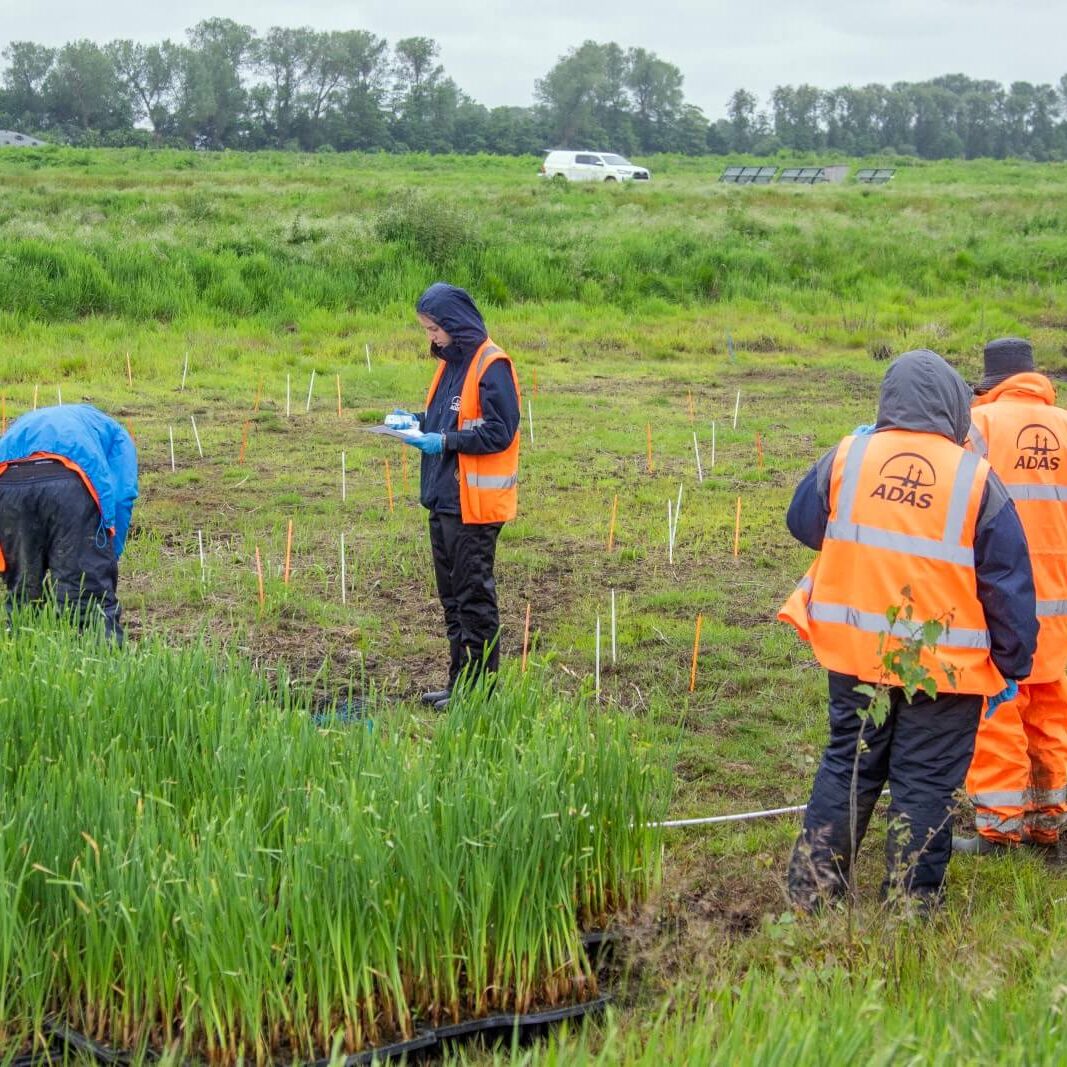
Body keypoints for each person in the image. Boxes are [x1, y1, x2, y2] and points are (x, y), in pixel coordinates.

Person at [778, 349, 1037, 909]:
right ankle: (909, 907)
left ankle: (811, 894)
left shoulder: (848, 456)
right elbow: (1008, 585)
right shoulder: (976, 480)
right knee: (923, 783)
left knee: (848, 765)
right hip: (945, 673)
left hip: (856, 657)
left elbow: (802, 522)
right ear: (952, 406)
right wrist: (1014, 666)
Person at [954, 338, 1067, 855]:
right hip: (1061, 601)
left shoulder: (979, 428)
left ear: (989, 383)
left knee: (999, 704)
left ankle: (1000, 826)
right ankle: (1051, 819)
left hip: (1000, 596)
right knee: (1051, 706)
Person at [396, 283, 520, 710]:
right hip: (443, 498)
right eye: (426, 329)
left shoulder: (492, 364)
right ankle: (459, 686)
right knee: (452, 599)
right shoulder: (451, 363)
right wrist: (412, 423)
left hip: (474, 506)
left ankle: (481, 694)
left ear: (454, 323)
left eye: (434, 328)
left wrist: (444, 440)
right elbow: (446, 416)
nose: (430, 337)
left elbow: (500, 431)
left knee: (473, 599)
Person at [0, 403, 137, 641]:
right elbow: (123, 495)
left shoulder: (27, 421)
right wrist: (109, 550)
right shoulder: (116, 433)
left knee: (24, 590)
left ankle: (23, 657)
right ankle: (99, 661)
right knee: (85, 593)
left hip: (8, 484)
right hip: (70, 480)